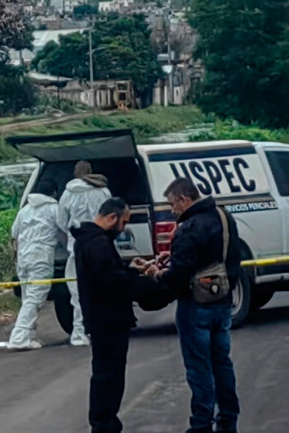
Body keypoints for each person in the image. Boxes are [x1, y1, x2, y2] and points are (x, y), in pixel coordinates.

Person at [155, 178, 240, 433]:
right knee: (222, 363)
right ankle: (228, 420)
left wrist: (158, 274)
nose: (172, 211)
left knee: (199, 368)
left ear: (184, 199)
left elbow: (179, 277)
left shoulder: (188, 228)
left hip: (195, 306)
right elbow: (230, 257)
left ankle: (201, 424)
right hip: (223, 301)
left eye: (173, 205)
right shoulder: (224, 217)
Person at [72, 197, 157, 433]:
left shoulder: (88, 240)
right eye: (124, 222)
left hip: (101, 319)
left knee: (106, 374)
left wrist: (130, 268)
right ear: (112, 218)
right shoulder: (98, 243)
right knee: (109, 377)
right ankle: (104, 424)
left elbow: (109, 273)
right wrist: (138, 280)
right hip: (108, 319)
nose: (124, 228)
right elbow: (109, 280)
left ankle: (106, 422)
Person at [58, 160, 112, 346]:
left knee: (77, 291)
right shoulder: (103, 190)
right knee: (103, 287)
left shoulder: (68, 193)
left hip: (76, 245)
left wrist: (71, 235)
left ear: (74, 174)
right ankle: (103, 327)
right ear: (91, 172)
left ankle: (79, 332)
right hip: (101, 244)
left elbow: (61, 221)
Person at [8, 179, 60, 350]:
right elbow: (65, 229)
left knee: (27, 297)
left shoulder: (25, 210)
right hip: (41, 257)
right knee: (35, 298)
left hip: (23, 258)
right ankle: (19, 337)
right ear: (53, 193)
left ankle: (28, 334)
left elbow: (14, 233)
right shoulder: (54, 209)